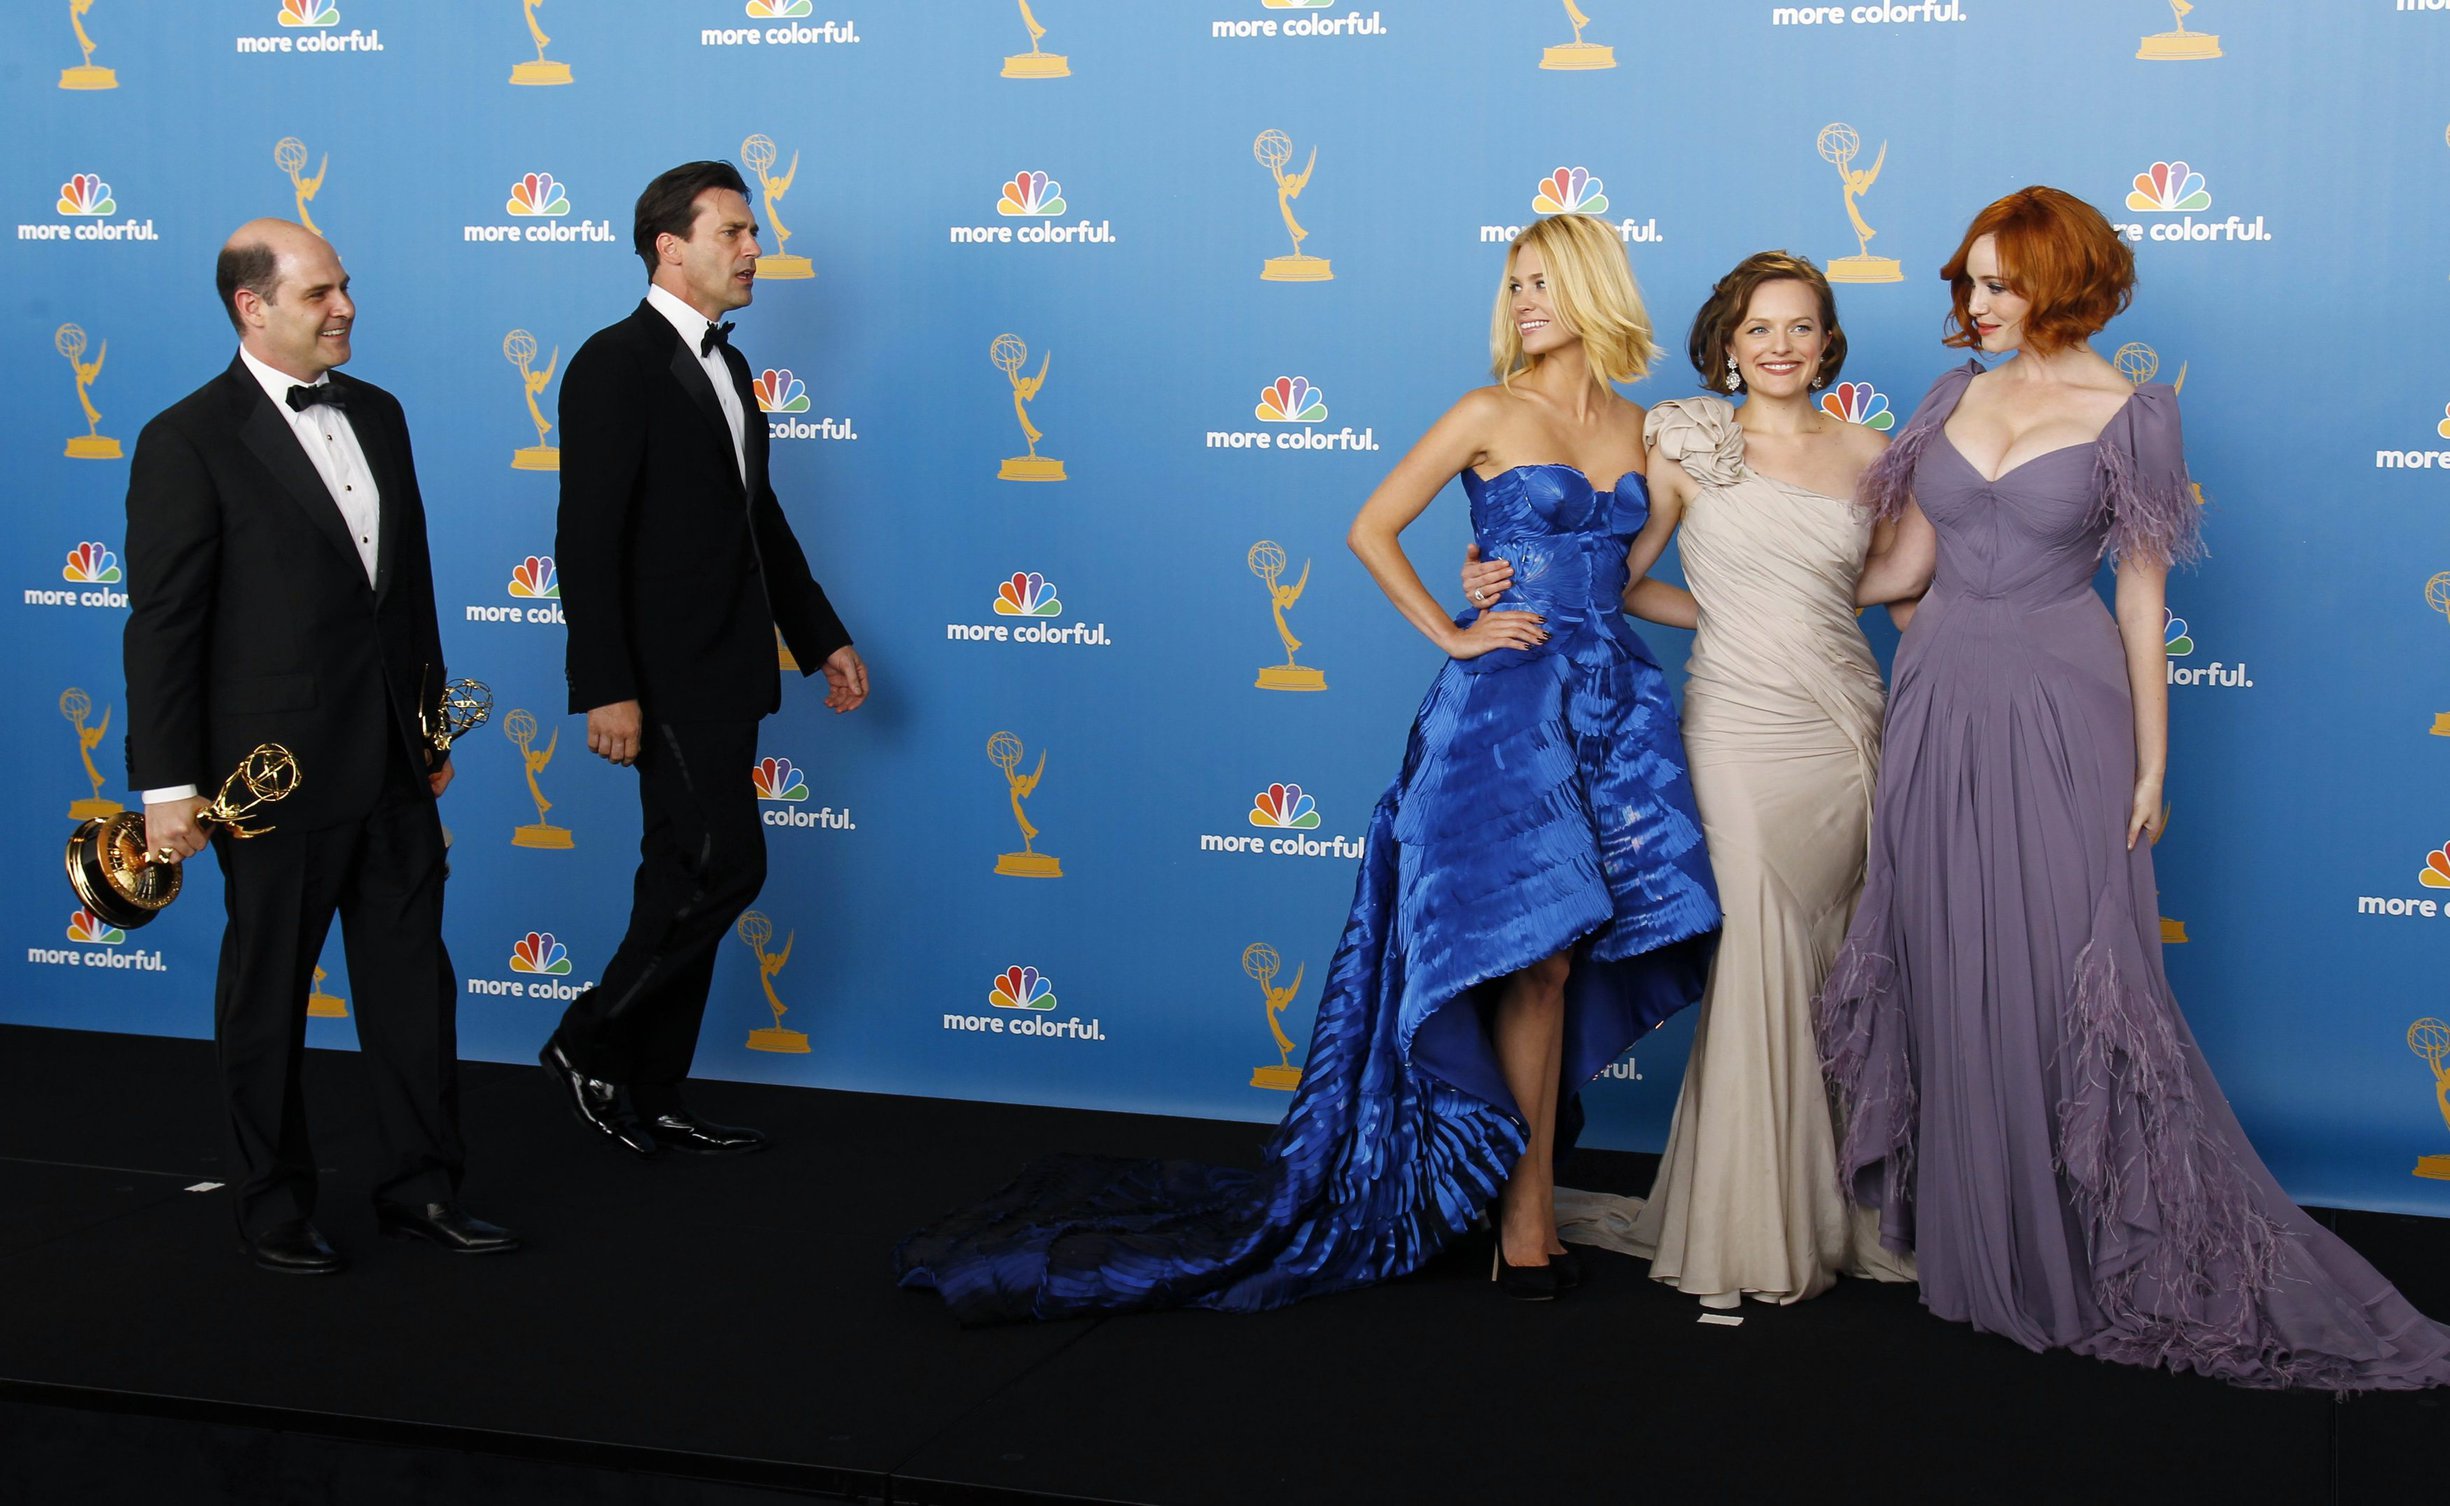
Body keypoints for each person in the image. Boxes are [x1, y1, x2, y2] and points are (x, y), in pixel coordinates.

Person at [894, 214, 1718, 1319]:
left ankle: (1513, 1193)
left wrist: (1767, 615)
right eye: (1512, 282)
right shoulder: (1486, 411)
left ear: (1593, 288)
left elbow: (1629, 577)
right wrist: (1456, 625)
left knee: (1566, 964)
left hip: (1611, 706)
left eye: (1543, 282)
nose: (1522, 301)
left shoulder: (1643, 429)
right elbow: (1370, 527)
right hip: (1502, 715)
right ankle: (1521, 1223)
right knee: (1526, 958)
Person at [1826, 186, 2450, 1387]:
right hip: (1938, 696)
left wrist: (2151, 762)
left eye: (1998, 283)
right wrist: (1747, 552)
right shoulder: (1949, 394)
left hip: (2067, 709)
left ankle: (2082, 1248)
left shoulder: (2132, 414)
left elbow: (2141, 598)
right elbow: (1900, 561)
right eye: (1966, 281)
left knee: (2073, 973)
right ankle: (1977, 1247)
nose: (1973, 303)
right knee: (1949, 956)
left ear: (2059, 281)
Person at [1463, 251, 1915, 1308]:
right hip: (1738, 725)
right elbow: (1612, 581)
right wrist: (1494, 576)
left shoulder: (1872, 450)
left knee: (1827, 958)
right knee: (1756, 949)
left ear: (1827, 342)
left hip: (1842, 720)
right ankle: (1743, 1226)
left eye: (1799, 327)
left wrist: (1819, 615)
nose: (1778, 346)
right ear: (1726, 341)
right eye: (1758, 328)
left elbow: (1899, 575)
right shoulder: (1685, 441)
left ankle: (1820, 1206)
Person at [123, 218, 515, 1274]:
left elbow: (408, 590)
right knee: (268, 997)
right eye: (318, 295)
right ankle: (271, 1201)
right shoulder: (187, 438)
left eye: (344, 287)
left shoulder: (378, 414)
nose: (344, 308)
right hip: (269, 778)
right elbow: (162, 627)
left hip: (390, 761)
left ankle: (421, 1189)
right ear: (252, 308)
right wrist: (167, 789)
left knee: (411, 990)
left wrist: (427, 726)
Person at [545, 160, 867, 1158]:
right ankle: (588, 1041)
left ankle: (652, 1089)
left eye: (753, 232)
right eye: (732, 232)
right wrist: (605, 686)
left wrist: (820, 637)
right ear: (667, 247)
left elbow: (754, 519)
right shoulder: (612, 363)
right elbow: (585, 540)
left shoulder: (728, 367)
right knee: (724, 863)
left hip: (730, 666)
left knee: (676, 872)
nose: (752, 250)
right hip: (660, 675)